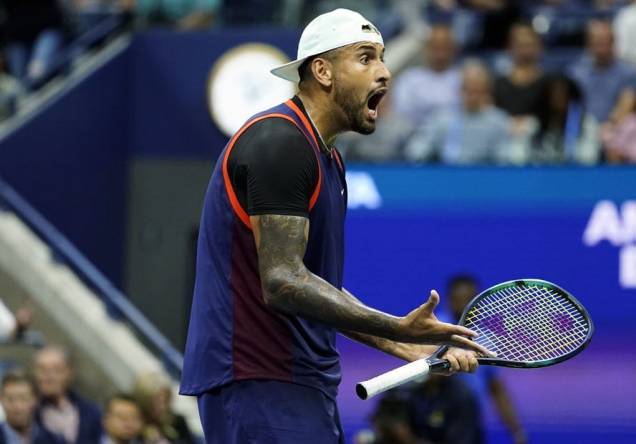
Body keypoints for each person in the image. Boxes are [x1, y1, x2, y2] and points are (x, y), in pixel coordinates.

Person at [179, 9, 490, 444]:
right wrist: (395, 328)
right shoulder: (281, 143)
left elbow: (314, 285)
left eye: (382, 58)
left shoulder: (328, 159)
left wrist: (407, 346)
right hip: (258, 379)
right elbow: (284, 281)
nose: (383, 73)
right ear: (322, 71)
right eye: (365, 58)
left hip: (300, 383)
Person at [439, 275, 528, 444]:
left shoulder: (485, 339)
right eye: (461, 300)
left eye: (471, 300)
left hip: (469, 424)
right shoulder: (433, 330)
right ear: (451, 300)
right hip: (434, 422)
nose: (467, 306)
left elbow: (496, 389)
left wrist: (516, 430)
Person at [405, 60, 515, 164]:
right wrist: (418, 152)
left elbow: (504, 156)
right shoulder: (442, 118)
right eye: (468, 89)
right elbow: (419, 148)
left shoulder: (499, 121)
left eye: (477, 91)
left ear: (486, 92)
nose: (472, 96)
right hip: (446, 176)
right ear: (460, 90)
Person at [568, 20, 636, 127]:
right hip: (583, 130)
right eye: (597, 42)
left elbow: (625, 107)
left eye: (605, 42)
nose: (601, 48)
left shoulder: (630, 73)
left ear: (613, 42)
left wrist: (609, 127)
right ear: (588, 44)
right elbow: (573, 108)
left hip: (616, 130)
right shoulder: (575, 74)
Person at [391, 24, 461, 129]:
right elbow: (402, 111)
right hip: (412, 133)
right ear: (426, 48)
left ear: (453, 50)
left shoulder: (462, 79)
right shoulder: (409, 79)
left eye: (444, 48)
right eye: (435, 48)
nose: (440, 54)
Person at [33, 346, 103, 444]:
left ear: (69, 373)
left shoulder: (92, 413)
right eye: (42, 370)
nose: (48, 377)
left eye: (56, 370)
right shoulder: (29, 414)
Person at [526, 74, 600, 165]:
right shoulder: (535, 124)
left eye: (562, 93)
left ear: (571, 96)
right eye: (553, 94)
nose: (558, 98)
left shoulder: (587, 123)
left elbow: (588, 158)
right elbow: (526, 157)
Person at [492, 22, 548, 120]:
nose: (525, 51)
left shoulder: (550, 84)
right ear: (509, 48)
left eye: (529, 45)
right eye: (520, 45)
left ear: (539, 47)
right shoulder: (498, 85)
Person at [0, 371, 63, 444]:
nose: (17, 407)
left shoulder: (54, 440)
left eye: (24, 399)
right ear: (1, 399)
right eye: (10, 399)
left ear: (35, 400)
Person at [131, 373, 193, 444]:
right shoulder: (134, 426)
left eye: (164, 401)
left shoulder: (178, 421)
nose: (161, 407)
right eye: (153, 403)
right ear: (143, 402)